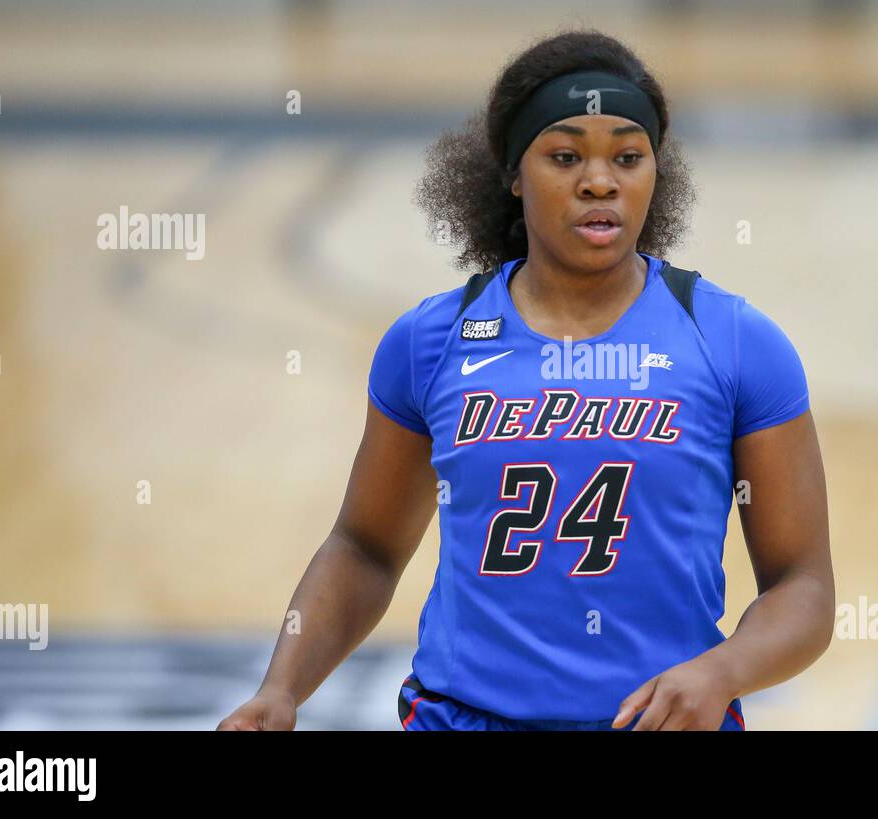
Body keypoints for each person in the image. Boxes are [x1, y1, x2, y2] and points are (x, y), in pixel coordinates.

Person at [218, 28, 834, 732]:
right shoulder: (430, 342)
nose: (600, 181)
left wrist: (724, 669)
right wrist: (283, 686)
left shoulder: (733, 342)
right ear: (514, 174)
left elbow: (804, 584)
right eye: (565, 156)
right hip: (463, 718)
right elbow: (366, 547)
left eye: (628, 157)